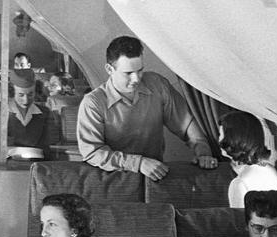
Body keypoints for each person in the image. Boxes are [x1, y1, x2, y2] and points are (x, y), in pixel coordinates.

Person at [76, 35, 217, 178]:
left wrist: (203, 152)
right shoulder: (92, 103)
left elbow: (186, 126)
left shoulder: (158, 84)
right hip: (113, 180)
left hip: (154, 177)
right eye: (128, 73)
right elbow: (92, 152)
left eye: (139, 70)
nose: (136, 79)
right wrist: (139, 163)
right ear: (109, 69)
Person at [220, 112, 277, 208]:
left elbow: (240, 221)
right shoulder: (269, 169)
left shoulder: (239, 183)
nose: (218, 140)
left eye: (220, 135)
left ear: (232, 139)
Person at [5, 70, 51, 155]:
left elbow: (49, 143)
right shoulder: (1, 112)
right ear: (12, 92)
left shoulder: (45, 112)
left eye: (30, 94)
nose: (26, 100)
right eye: (21, 95)